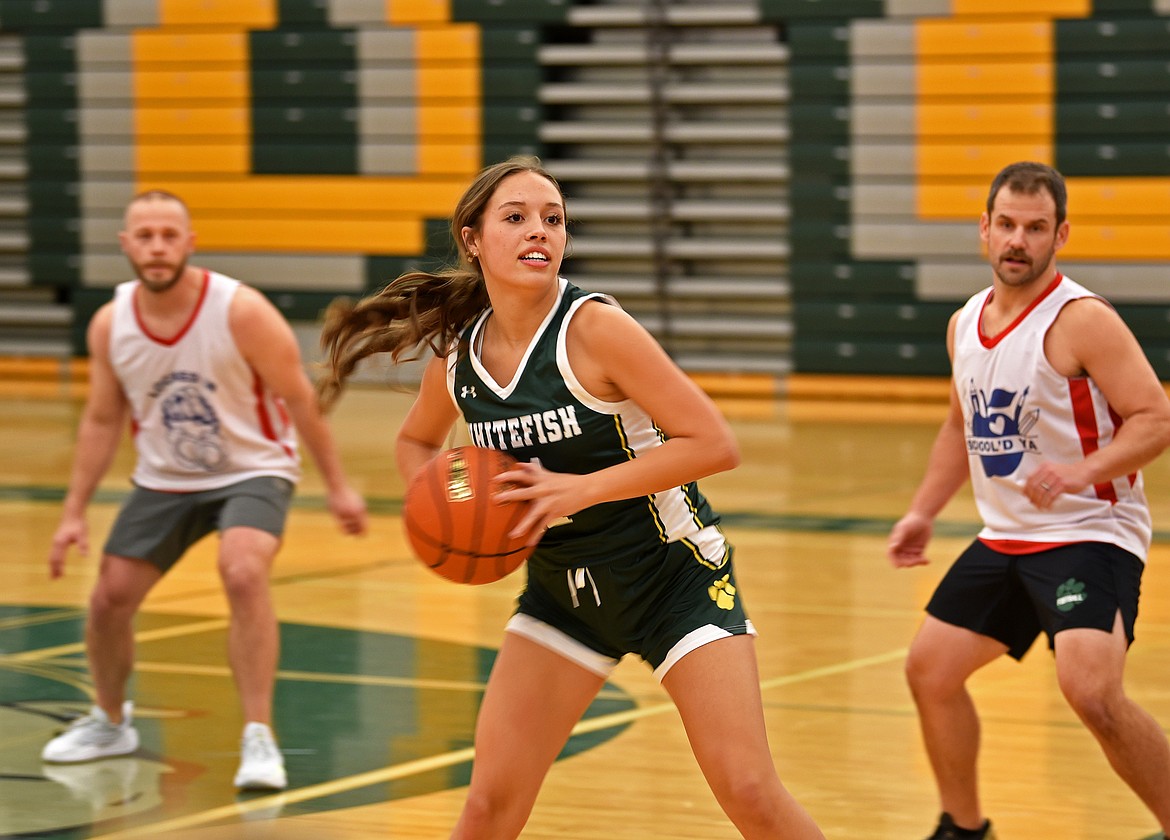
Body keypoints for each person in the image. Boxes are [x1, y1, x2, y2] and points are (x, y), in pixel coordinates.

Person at [317, 156, 825, 839]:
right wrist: (448, 500)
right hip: (563, 594)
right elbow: (416, 445)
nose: (540, 232)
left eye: (553, 219)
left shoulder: (593, 329)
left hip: (673, 580)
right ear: (473, 239)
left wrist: (574, 491)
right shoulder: (461, 358)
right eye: (517, 217)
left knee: (750, 791)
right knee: (487, 807)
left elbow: (712, 443)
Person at [43, 190, 368, 790]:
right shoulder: (111, 324)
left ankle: (259, 737)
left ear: (190, 242)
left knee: (242, 569)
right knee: (108, 599)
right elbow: (100, 420)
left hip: (253, 468)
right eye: (146, 236)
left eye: (170, 234)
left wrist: (340, 486)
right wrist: (72, 514)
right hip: (165, 478)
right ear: (127, 245)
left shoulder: (240, 311)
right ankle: (111, 722)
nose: (158, 246)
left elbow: (299, 396)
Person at [888, 161, 1170, 840]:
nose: (1018, 240)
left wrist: (1083, 470)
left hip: (1090, 531)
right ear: (984, 230)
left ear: (1060, 234)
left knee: (1092, 692)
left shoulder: (1082, 320)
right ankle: (963, 827)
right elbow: (961, 426)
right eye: (1007, 225)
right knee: (930, 672)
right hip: (1006, 535)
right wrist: (924, 511)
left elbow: (1154, 418)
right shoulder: (964, 324)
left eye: (1035, 227)